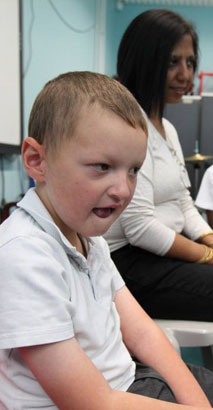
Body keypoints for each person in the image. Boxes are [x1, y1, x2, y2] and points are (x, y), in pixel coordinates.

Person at [0, 71, 213, 410]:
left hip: (129, 384)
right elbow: (93, 402)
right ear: (37, 161)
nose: (123, 190)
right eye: (102, 166)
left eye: (133, 170)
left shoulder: (88, 234)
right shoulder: (24, 255)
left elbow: (142, 332)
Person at [104, 9, 213, 321]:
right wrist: (206, 255)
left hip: (164, 253)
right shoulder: (126, 125)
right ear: (144, 60)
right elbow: (139, 228)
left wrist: (209, 240)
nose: (185, 75)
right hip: (129, 263)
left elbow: (183, 203)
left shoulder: (168, 129)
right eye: (172, 62)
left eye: (190, 62)